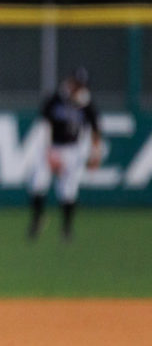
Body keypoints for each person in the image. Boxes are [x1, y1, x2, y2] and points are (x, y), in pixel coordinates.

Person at [27, 66, 103, 241]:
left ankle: (66, 229)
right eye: (77, 83)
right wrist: (48, 151)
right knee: (38, 182)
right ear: (71, 81)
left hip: (72, 150)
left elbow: (96, 129)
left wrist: (95, 154)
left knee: (68, 189)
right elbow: (44, 125)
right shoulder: (56, 98)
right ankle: (37, 220)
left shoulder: (86, 102)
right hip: (52, 146)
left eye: (82, 84)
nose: (79, 87)